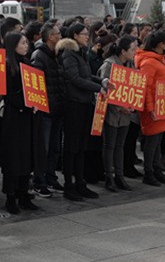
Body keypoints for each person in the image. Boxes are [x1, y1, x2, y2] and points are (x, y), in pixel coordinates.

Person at [57, 23, 107, 201]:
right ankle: (68, 186)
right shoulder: (69, 53)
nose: (88, 36)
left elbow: (85, 75)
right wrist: (97, 88)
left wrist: (101, 81)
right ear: (75, 35)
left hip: (84, 102)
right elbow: (74, 78)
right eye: (84, 34)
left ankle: (80, 183)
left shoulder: (80, 52)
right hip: (74, 104)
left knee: (81, 146)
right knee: (71, 147)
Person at [1, 32, 39, 214]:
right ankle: (10, 196)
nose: (26, 46)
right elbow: (8, 93)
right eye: (23, 43)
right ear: (13, 45)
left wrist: (36, 102)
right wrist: (25, 104)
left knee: (26, 155)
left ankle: (23, 194)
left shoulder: (26, 62)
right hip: (13, 115)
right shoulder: (7, 65)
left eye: (26, 42)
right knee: (13, 156)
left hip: (28, 116)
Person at [30, 22, 65, 196]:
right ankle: (39, 181)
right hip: (45, 110)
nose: (61, 36)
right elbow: (36, 84)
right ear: (50, 37)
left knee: (54, 147)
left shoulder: (57, 55)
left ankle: (51, 177)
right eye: (58, 34)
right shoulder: (39, 55)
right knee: (43, 149)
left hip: (57, 107)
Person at [98, 35, 137, 192]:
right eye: (132, 49)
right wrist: (120, 106)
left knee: (120, 146)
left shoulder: (131, 65)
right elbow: (103, 89)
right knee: (109, 145)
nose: (135, 52)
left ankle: (120, 177)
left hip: (126, 113)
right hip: (111, 113)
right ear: (123, 51)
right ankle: (109, 177)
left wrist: (132, 103)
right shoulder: (109, 65)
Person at [135, 31, 165, 187]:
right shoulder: (149, 62)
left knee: (158, 140)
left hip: (161, 105)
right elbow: (146, 87)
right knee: (152, 141)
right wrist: (150, 108)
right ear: (159, 44)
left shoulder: (158, 59)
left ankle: (156, 169)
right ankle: (149, 172)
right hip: (152, 108)